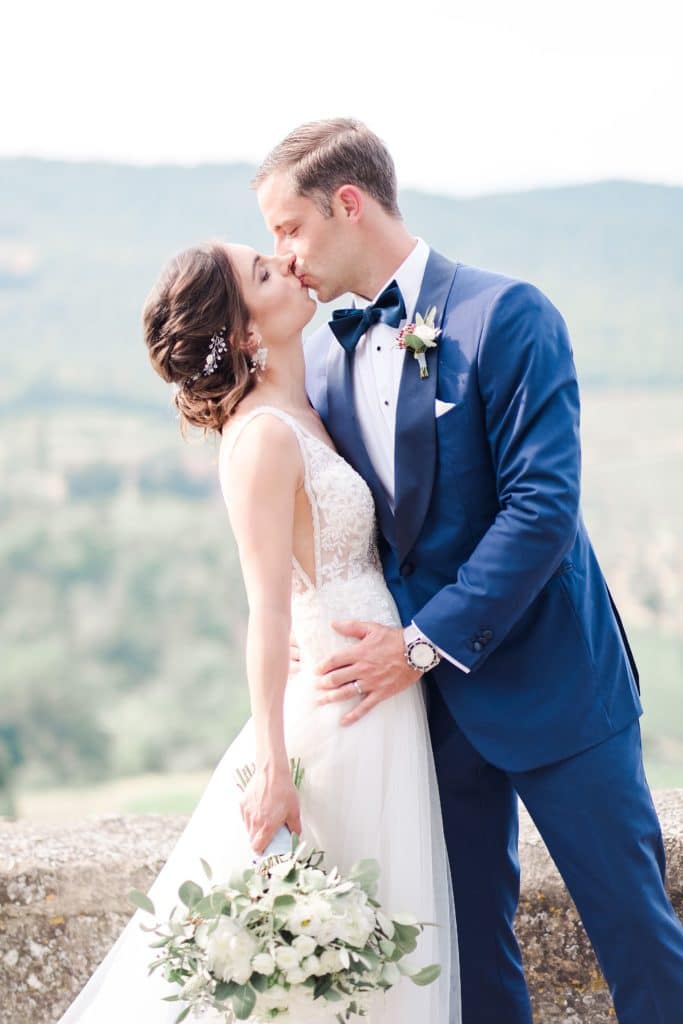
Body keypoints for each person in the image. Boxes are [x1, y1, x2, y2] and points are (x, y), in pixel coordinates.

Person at [252, 117, 683, 1024]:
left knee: (639, 947)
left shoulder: (509, 315)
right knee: (471, 968)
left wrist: (419, 645)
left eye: (288, 228)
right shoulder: (326, 361)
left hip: (558, 690)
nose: (281, 256)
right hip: (425, 723)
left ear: (348, 203)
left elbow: (541, 511)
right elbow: (338, 524)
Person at [54, 239, 460, 1023]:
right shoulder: (263, 438)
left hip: (378, 695)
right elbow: (267, 611)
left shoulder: (308, 406)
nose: (288, 267)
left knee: (377, 961)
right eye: (265, 273)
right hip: (337, 715)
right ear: (243, 333)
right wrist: (274, 765)